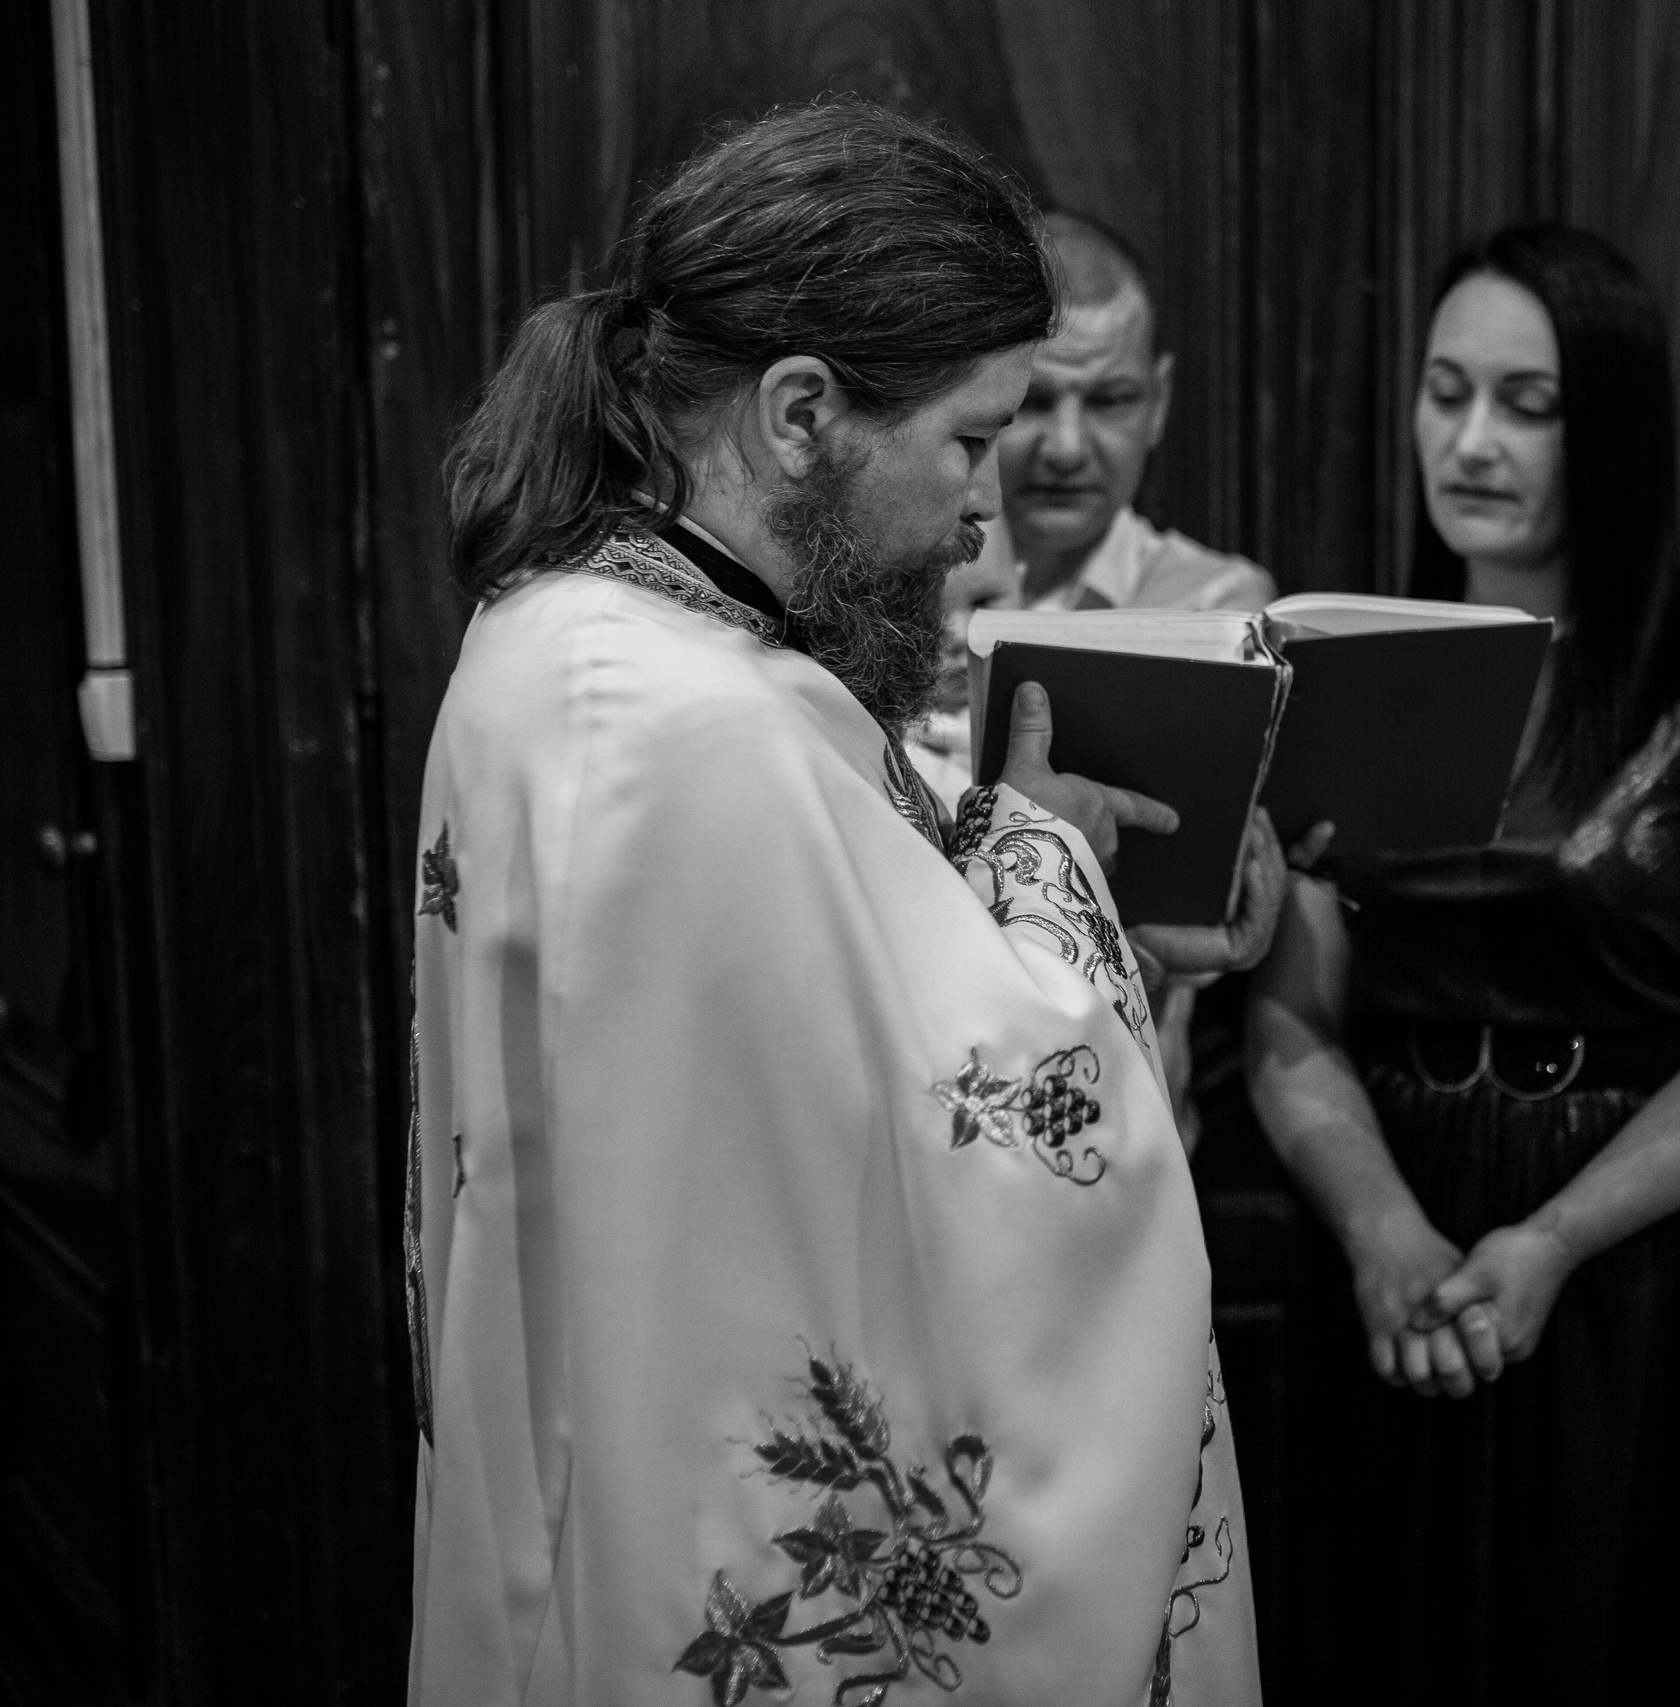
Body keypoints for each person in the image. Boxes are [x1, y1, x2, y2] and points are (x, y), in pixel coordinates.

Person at [406, 100, 1270, 1707]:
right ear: (802, 411)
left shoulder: (567, 628)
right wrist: (1045, 852)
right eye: (965, 437)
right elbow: (997, 1144)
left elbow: (807, 1049)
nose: (984, 510)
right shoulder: (695, 719)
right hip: (686, 1505)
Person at [1246, 223, 1680, 1701]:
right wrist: (1386, 1233)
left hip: (1640, 1259)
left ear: (1616, 423)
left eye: (1528, 403)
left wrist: (1555, 1237)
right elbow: (1293, 1010)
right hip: (1395, 1242)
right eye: (1446, 389)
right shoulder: (1340, 661)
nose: (1470, 439)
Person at [910, 210, 1281, 1151]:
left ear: (1158, 402)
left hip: (1129, 1131)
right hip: (917, 1102)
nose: (1068, 447)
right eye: (1035, 403)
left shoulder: (1216, 606)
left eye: (1109, 401)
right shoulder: (888, 582)